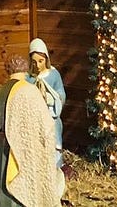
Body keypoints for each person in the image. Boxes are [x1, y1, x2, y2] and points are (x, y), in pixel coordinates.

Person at [0, 52, 64, 207]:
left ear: (8, 70)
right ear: (26, 70)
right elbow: (46, 127)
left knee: (4, 191)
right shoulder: (31, 91)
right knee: (25, 190)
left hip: (2, 150)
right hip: (27, 149)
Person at [26, 38, 65, 168]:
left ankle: (55, 167)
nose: (37, 65)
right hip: (35, 118)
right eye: (34, 62)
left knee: (53, 141)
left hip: (51, 115)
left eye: (41, 61)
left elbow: (61, 94)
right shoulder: (29, 78)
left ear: (46, 59)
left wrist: (52, 99)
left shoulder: (53, 75)